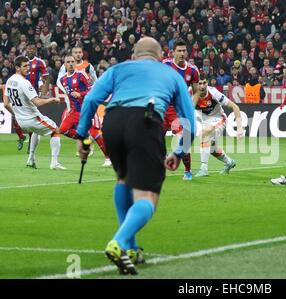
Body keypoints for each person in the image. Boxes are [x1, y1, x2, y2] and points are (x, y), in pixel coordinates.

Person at [75, 37, 196, 275]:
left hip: (113, 121)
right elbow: (189, 121)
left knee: (123, 179)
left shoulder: (118, 69)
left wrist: (82, 136)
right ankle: (118, 243)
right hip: (145, 120)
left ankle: (130, 249)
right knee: (148, 196)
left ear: (134, 55)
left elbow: (90, 99)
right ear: (161, 56)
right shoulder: (171, 75)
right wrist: (179, 152)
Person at [4, 55, 65, 170]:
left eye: (28, 65)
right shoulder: (24, 82)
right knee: (55, 130)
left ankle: (31, 159)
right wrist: (52, 99)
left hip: (21, 120)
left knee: (35, 131)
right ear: (17, 68)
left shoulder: (9, 81)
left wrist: (16, 114)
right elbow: (37, 102)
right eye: (25, 66)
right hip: (32, 117)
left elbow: (6, 103)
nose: (28, 68)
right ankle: (54, 163)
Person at [58, 55, 111, 167]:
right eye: (68, 62)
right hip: (74, 111)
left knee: (95, 133)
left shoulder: (81, 75)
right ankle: (84, 138)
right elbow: (69, 96)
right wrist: (69, 108)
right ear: (65, 64)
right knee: (62, 129)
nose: (71, 64)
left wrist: (80, 94)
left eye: (72, 62)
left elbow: (92, 88)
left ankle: (108, 158)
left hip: (87, 108)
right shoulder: (63, 80)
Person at [162, 39, 199, 181]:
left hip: (177, 110)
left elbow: (196, 92)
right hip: (162, 108)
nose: (182, 53)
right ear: (173, 52)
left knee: (182, 140)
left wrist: (190, 107)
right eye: (179, 51)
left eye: (184, 50)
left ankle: (188, 171)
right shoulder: (165, 65)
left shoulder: (193, 70)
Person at [193, 73, 244, 177]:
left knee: (203, 134)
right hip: (205, 121)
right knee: (211, 149)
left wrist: (239, 128)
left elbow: (235, 107)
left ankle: (204, 168)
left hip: (219, 119)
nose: (202, 86)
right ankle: (229, 162)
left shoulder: (214, 93)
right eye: (200, 84)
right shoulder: (191, 94)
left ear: (207, 83)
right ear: (195, 85)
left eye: (204, 83)